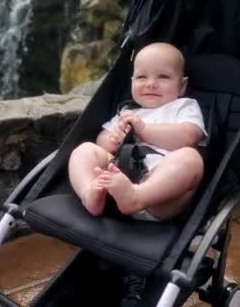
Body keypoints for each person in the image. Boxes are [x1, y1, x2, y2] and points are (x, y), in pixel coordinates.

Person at [68, 42, 207, 221]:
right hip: (117, 177)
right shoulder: (128, 111)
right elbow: (101, 140)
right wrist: (113, 140)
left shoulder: (184, 107)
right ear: (132, 81)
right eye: (141, 77)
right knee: (84, 150)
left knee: (191, 158)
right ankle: (90, 193)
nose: (150, 84)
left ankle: (136, 196)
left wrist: (144, 131)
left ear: (182, 85)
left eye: (163, 77)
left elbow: (189, 136)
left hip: (159, 194)